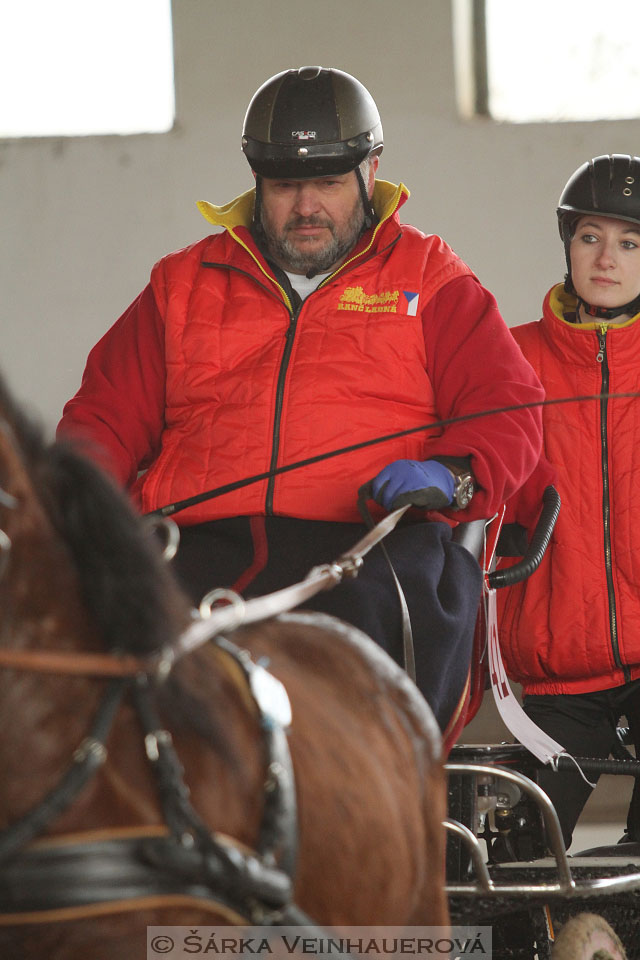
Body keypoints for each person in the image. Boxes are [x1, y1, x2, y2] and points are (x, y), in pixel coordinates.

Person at [58, 66, 543, 736]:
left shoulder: (432, 279)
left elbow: (507, 406)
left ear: (371, 173)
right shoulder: (182, 284)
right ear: (258, 182)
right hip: (195, 543)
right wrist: (76, 503)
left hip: (368, 544)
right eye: (286, 185)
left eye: (328, 183)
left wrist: (454, 474)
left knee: (373, 640)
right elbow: (103, 417)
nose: (306, 205)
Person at [499, 153, 640, 848]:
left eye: (629, 241)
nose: (606, 256)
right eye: (590, 236)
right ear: (568, 246)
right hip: (561, 671)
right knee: (517, 858)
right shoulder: (512, 361)